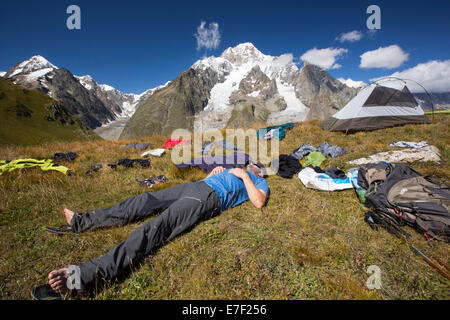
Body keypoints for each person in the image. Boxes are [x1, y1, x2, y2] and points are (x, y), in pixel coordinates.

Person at [40, 162, 269, 298]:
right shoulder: (231, 171)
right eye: (250, 165)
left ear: (260, 172)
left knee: (155, 228)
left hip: (209, 199)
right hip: (197, 186)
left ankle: (83, 278)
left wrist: (244, 176)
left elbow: (258, 202)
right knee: (143, 201)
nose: (251, 165)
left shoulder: (258, 181)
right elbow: (211, 181)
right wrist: (214, 174)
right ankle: (83, 222)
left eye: (256, 166)